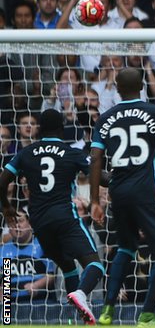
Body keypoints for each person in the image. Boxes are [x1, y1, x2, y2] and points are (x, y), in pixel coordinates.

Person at [89, 68, 155, 326]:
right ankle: (147, 314)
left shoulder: (105, 118)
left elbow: (96, 161)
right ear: (143, 86)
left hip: (118, 191)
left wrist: (95, 201)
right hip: (146, 190)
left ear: (117, 88)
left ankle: (107, 310)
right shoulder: (154, 112)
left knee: (125, 248)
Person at [0, 109, 105, 324]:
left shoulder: (25, 153)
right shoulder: (70, 152)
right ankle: (82, 294)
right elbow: (100, 176)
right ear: (61, 129)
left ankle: (74, 318)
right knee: (95, 265)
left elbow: (2, 180)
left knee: (67, 266)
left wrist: (6, 208)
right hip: (65, 216)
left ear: (39, 129)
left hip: (39, 222)